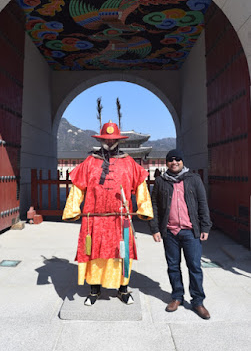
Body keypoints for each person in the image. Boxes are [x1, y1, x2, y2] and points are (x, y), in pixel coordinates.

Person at [62, 119, 153, 306]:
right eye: (106, 139)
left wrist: (144, 207)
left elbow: (141, 186)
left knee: (121, 253)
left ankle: (122, 289)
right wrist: (73, 208)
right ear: (101, 140)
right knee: (94, 253)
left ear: (119, 140)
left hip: (120, 220)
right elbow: (77, 187)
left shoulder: (129, 163)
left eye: (113, 139)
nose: (110, 142)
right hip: (93, 218)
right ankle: (94, 289)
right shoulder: (90, 162)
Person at [149, 149, 212, 319]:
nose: (174, 162)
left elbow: (202, 203)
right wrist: (154, 228)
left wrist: (205, 227)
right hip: (170, 232)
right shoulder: (161, 181)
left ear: (182, 161)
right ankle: (177, 297)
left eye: (177, 159)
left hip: (190, 231)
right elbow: (153, 205)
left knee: (194, 267)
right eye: (170, 160)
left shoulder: (193, 179)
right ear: (166, 163)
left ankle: (198, 301)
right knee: (173, 267)